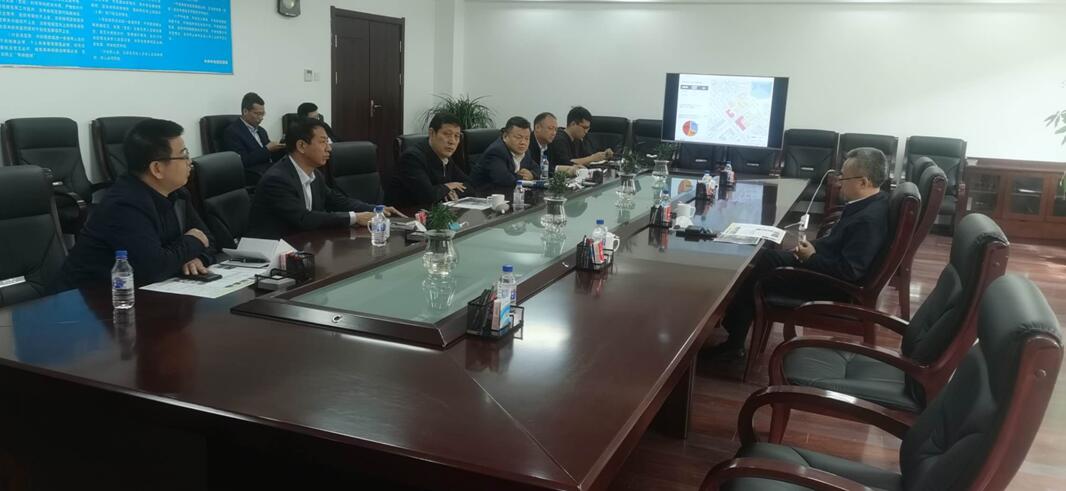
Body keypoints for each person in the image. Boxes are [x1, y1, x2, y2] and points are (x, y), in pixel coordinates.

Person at [707, 148, 892, 359]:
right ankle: (733, 328)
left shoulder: (868, 221)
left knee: (761, 265)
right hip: (824, 269)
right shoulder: (871, 203)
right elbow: (838, 245)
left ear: (863, 182)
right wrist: (811, 249)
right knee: (766, 256)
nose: (838, 182)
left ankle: (733, 339)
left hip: (832, 287)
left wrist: (811, 257)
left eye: (843, 177)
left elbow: (849, 272)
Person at [54, 119, 217, 291]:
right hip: (86, 298)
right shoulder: (124, 205)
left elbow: (208, 239)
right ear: (157, 169)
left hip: (137, 293)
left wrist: (198, 258)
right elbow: (154, 268)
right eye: (183, 156)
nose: (189, 162)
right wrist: (192, 243)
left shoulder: (178, 195)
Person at [247, 118, 403, 240]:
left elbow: (337, 200)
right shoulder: (277, 179)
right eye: (323, 142)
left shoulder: (314, 174)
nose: (329, 148)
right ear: (301, 146)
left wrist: (375, 209)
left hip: (302, 244)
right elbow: (304, 218)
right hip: (269, 253)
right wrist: (355, 218)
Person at [387, 113, 471, 207]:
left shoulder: (444, 156)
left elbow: (470, 185)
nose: (452, 141)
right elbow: (428, 197)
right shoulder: (412, 158)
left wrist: (449, 192)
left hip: (433, 211)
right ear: (431, 133)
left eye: (456, 136)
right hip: (404, 213)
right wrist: (448, 186)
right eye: (447, 134)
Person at [223, 92, 285, 184]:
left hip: (268, 169)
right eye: (257, 114)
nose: (261, 118)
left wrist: (282, 147)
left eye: (263, 114)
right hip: (251, 174)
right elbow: (242, 161)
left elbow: (269, 155)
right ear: (245, 111)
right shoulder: (232, 132)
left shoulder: (261, 131)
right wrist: (267, 149)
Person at [469, 116, 540, 189]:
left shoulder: (525, 151)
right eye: (518, 137)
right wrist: (524, 177)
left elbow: (537, 168)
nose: (523, 142)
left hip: (510, 192)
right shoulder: (496, 151)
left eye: (527, 138)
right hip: (484, 193)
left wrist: (532, 175)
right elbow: (505, 180)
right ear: (505, 136)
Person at [547, 106, 612, 176]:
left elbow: (586, 156)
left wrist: (603, 155)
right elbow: (566, 164)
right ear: (573, 124)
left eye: (588, 128)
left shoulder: (577, 138)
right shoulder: (559, 139)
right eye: (584, 128)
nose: (586, 132)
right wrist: (592, 158)